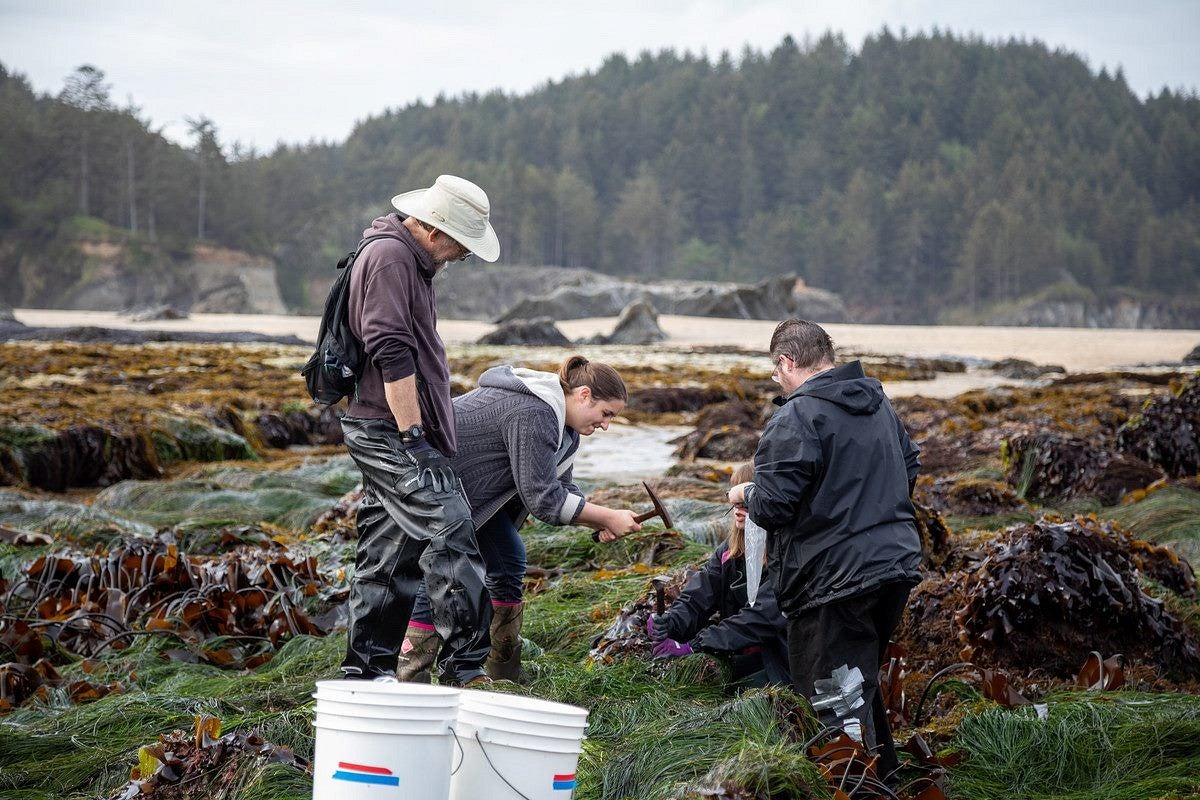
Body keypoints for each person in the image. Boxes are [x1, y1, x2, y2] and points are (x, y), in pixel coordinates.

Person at [727, 319, 921, 780]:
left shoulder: (797, 416)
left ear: (786, 362)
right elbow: (909, 466)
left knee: (834, 695)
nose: (778, 380)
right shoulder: (877, 404)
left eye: (777, 372)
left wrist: (743, 495)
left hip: (832, 577)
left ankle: (853, 784)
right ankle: (885, 777)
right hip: (894, 564)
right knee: (859, 682)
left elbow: (773, 506)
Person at [339, 174, 501, 686]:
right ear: (434, 229)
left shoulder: (408, 260)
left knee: (391, 552)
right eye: (462, 244)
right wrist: (413, 437)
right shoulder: (390, 258)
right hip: (387, 430)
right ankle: (466, 671)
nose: (463, 256)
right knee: (451, 526)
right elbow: (389, 347)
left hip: (394, 428)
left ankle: (367, 672)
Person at [398, 355, 642, 681]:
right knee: (439, 579)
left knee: (509, 558)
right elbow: (543, 500)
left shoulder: (565, 429)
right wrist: (608, 516)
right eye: (606, 413)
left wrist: (599, 522)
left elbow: (561, 487)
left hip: (472, 502)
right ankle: (410, 677)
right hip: (431, 490)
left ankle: (501, 670)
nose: (606, 424)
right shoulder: (534, 413)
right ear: (583, 395)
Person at [647, 463, 790, 688]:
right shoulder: (728, 551)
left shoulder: (787, 553)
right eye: (733, 502)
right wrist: (671, 621)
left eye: (746, 504)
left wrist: (696, 645)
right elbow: (697, 597)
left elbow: (760, 619)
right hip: (740, 652)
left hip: (782, 662)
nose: (737, 511)